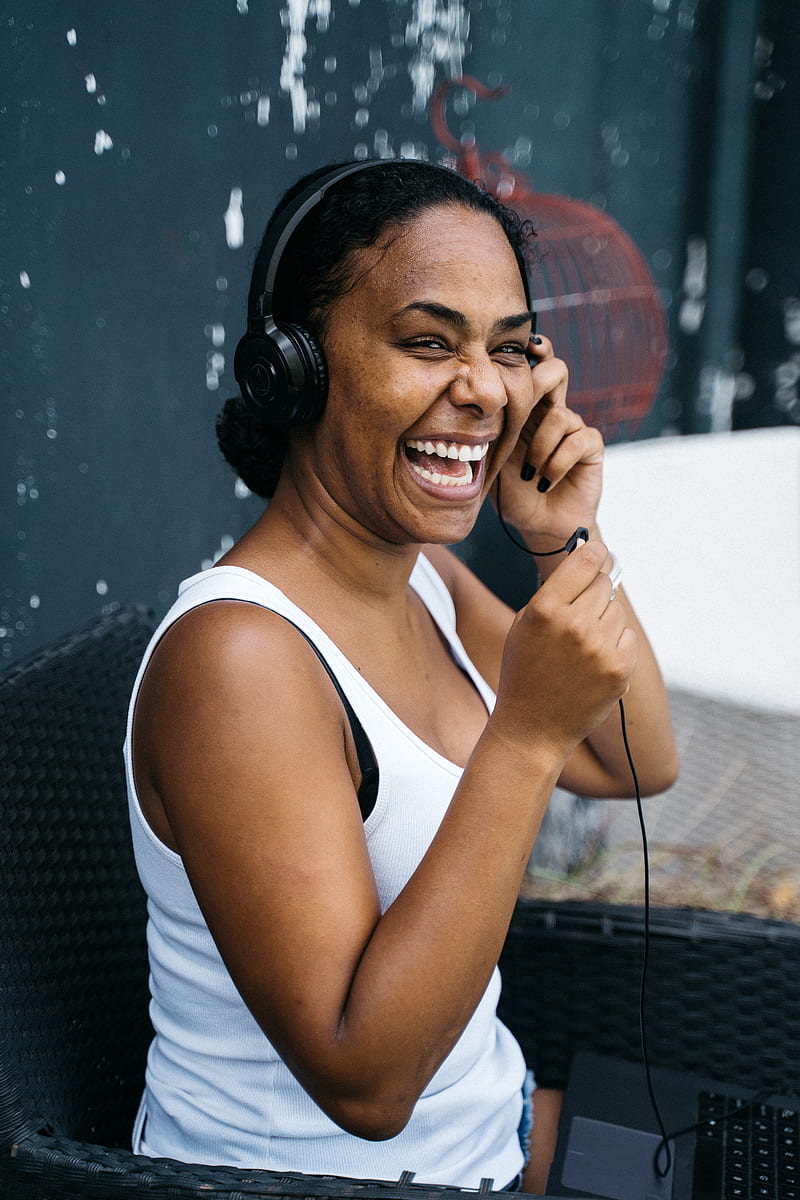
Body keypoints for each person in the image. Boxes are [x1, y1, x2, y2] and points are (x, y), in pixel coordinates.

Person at [125, 159, 678, 1194]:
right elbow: (365, 1085)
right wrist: (518, 738)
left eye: (507, 350)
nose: (480, 390)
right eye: (428, 342)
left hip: (492, 1132)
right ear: (294, 366)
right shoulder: (242, 659)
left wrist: (561, 539)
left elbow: (634, 757)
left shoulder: (419, 574)